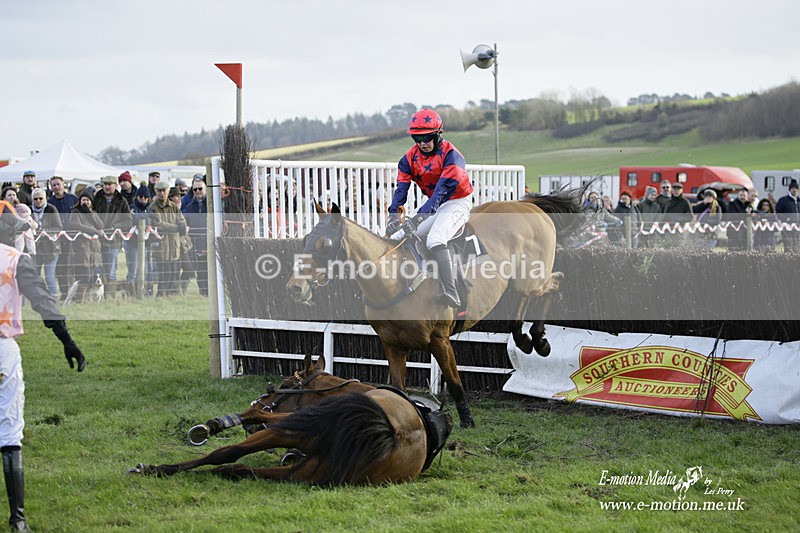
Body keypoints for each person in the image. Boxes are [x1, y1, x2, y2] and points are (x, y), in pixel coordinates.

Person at [0, 200, 86, 531]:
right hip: (3, 350)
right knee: (8, 431)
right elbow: (43, 302)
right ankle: (17, 520)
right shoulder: (15, 260)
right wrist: (68, 341)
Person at [385, 108, 474, 308]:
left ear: (438, 135)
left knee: (435, 239)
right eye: (417, 139)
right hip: (435, 205)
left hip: (456, 202)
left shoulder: (452, 156)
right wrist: (393, 217)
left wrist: (418, 217)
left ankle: (452, 293)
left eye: (427, 137)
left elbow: (442, 192)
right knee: (398, 237)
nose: (422, 143)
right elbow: (401, 189)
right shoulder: (408, 159)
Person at [92, 175, 132, 298]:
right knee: (98, 269)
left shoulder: (122, 201)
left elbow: (128, 221)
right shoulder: (96, 199)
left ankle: (110, 297)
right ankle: (97, 296)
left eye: (110, 184)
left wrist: (116, 226)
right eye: (105, 184)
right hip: (97, 240)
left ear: (116, 185)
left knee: (111, 270)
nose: (107, 187)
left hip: (114, 241)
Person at [149, 181, 187, 296]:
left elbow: (182, 220)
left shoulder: (173, 206)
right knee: (163, 274)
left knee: (174, 272)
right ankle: (161, 295)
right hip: (162, 245)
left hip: (174, 245)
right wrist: (177, 227)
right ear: (156, 191)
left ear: (168, 191)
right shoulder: (153, 207)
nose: (161, 193)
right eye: (159, 191)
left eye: (164, 190)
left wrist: (182, 225)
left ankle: (171, 295)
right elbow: (158, 224)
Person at [68, 189, 104, 302]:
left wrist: (90, 214)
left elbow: (100, 225)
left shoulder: (93, 213)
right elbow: (76, 225)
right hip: (82, 248)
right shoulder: (75, 212)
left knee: (93, 276)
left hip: (94, 250)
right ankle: (79, 300)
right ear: (80, 201)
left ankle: (88, 299)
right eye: (83, 199)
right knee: (84, 276)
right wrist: (94, 231)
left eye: (88, 200)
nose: (85, 202)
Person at [47, 177, 79, 301]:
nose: (56, 187)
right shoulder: (50, 202)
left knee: (74, 265)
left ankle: (76, 292)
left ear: (63, 184)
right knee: (60, 267)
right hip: (58, 239)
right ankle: (64, 292)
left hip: (74, 237)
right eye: (53, 185)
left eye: (58, 184)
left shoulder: (73, 199)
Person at [30, 188, 62, 296]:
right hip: (35, 248)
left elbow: (58, 227)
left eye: (40, 198)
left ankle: (53, 298)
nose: (38, 200)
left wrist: (44, 231)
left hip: (51, 248)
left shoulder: (51, 209)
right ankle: (37, 297)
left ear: (45, 198)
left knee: (49, 276)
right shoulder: (28, 210)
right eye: (35, 198)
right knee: (35, 275)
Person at [122, 184, 152, 296]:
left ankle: (142, 292)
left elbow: (152, 220)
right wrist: (145, 217)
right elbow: (131, 218)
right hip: (132, 244)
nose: (143, 199)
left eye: (145, 197)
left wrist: (146, 217)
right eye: (141, 196)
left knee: (145, 270)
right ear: (137, 197)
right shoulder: (132, 207)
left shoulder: (149, 208)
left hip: (146, 244)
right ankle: (131, 294)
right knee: (132, 271)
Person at [181, 177, 208, 296]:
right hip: (197, 243)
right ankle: (203, 293)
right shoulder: (189, 207)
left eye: (200, 189)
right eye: (195, 189)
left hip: (211, 241)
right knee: (201, 270)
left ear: (205, 189)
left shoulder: (213, 205)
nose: (197, 191)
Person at [169, 187, 194, 294]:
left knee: (189, 269)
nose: (178, 198)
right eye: (176, 196)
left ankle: (183, 289)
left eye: (179, 196)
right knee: (175, 269)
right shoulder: (169, 209)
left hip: (183, 244)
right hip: (173, 243)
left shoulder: (180, 208)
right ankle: (176, 291)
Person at [775, 179, 800, 252]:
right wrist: (787, 219)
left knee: (797, 247)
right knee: (788, 247)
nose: (794, 190)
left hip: (798, 228)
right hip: (787, 227)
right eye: (792, 188)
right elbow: (778, 212)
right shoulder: (783, 200)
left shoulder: (799, 201)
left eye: (796, 188)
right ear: (790, 189)